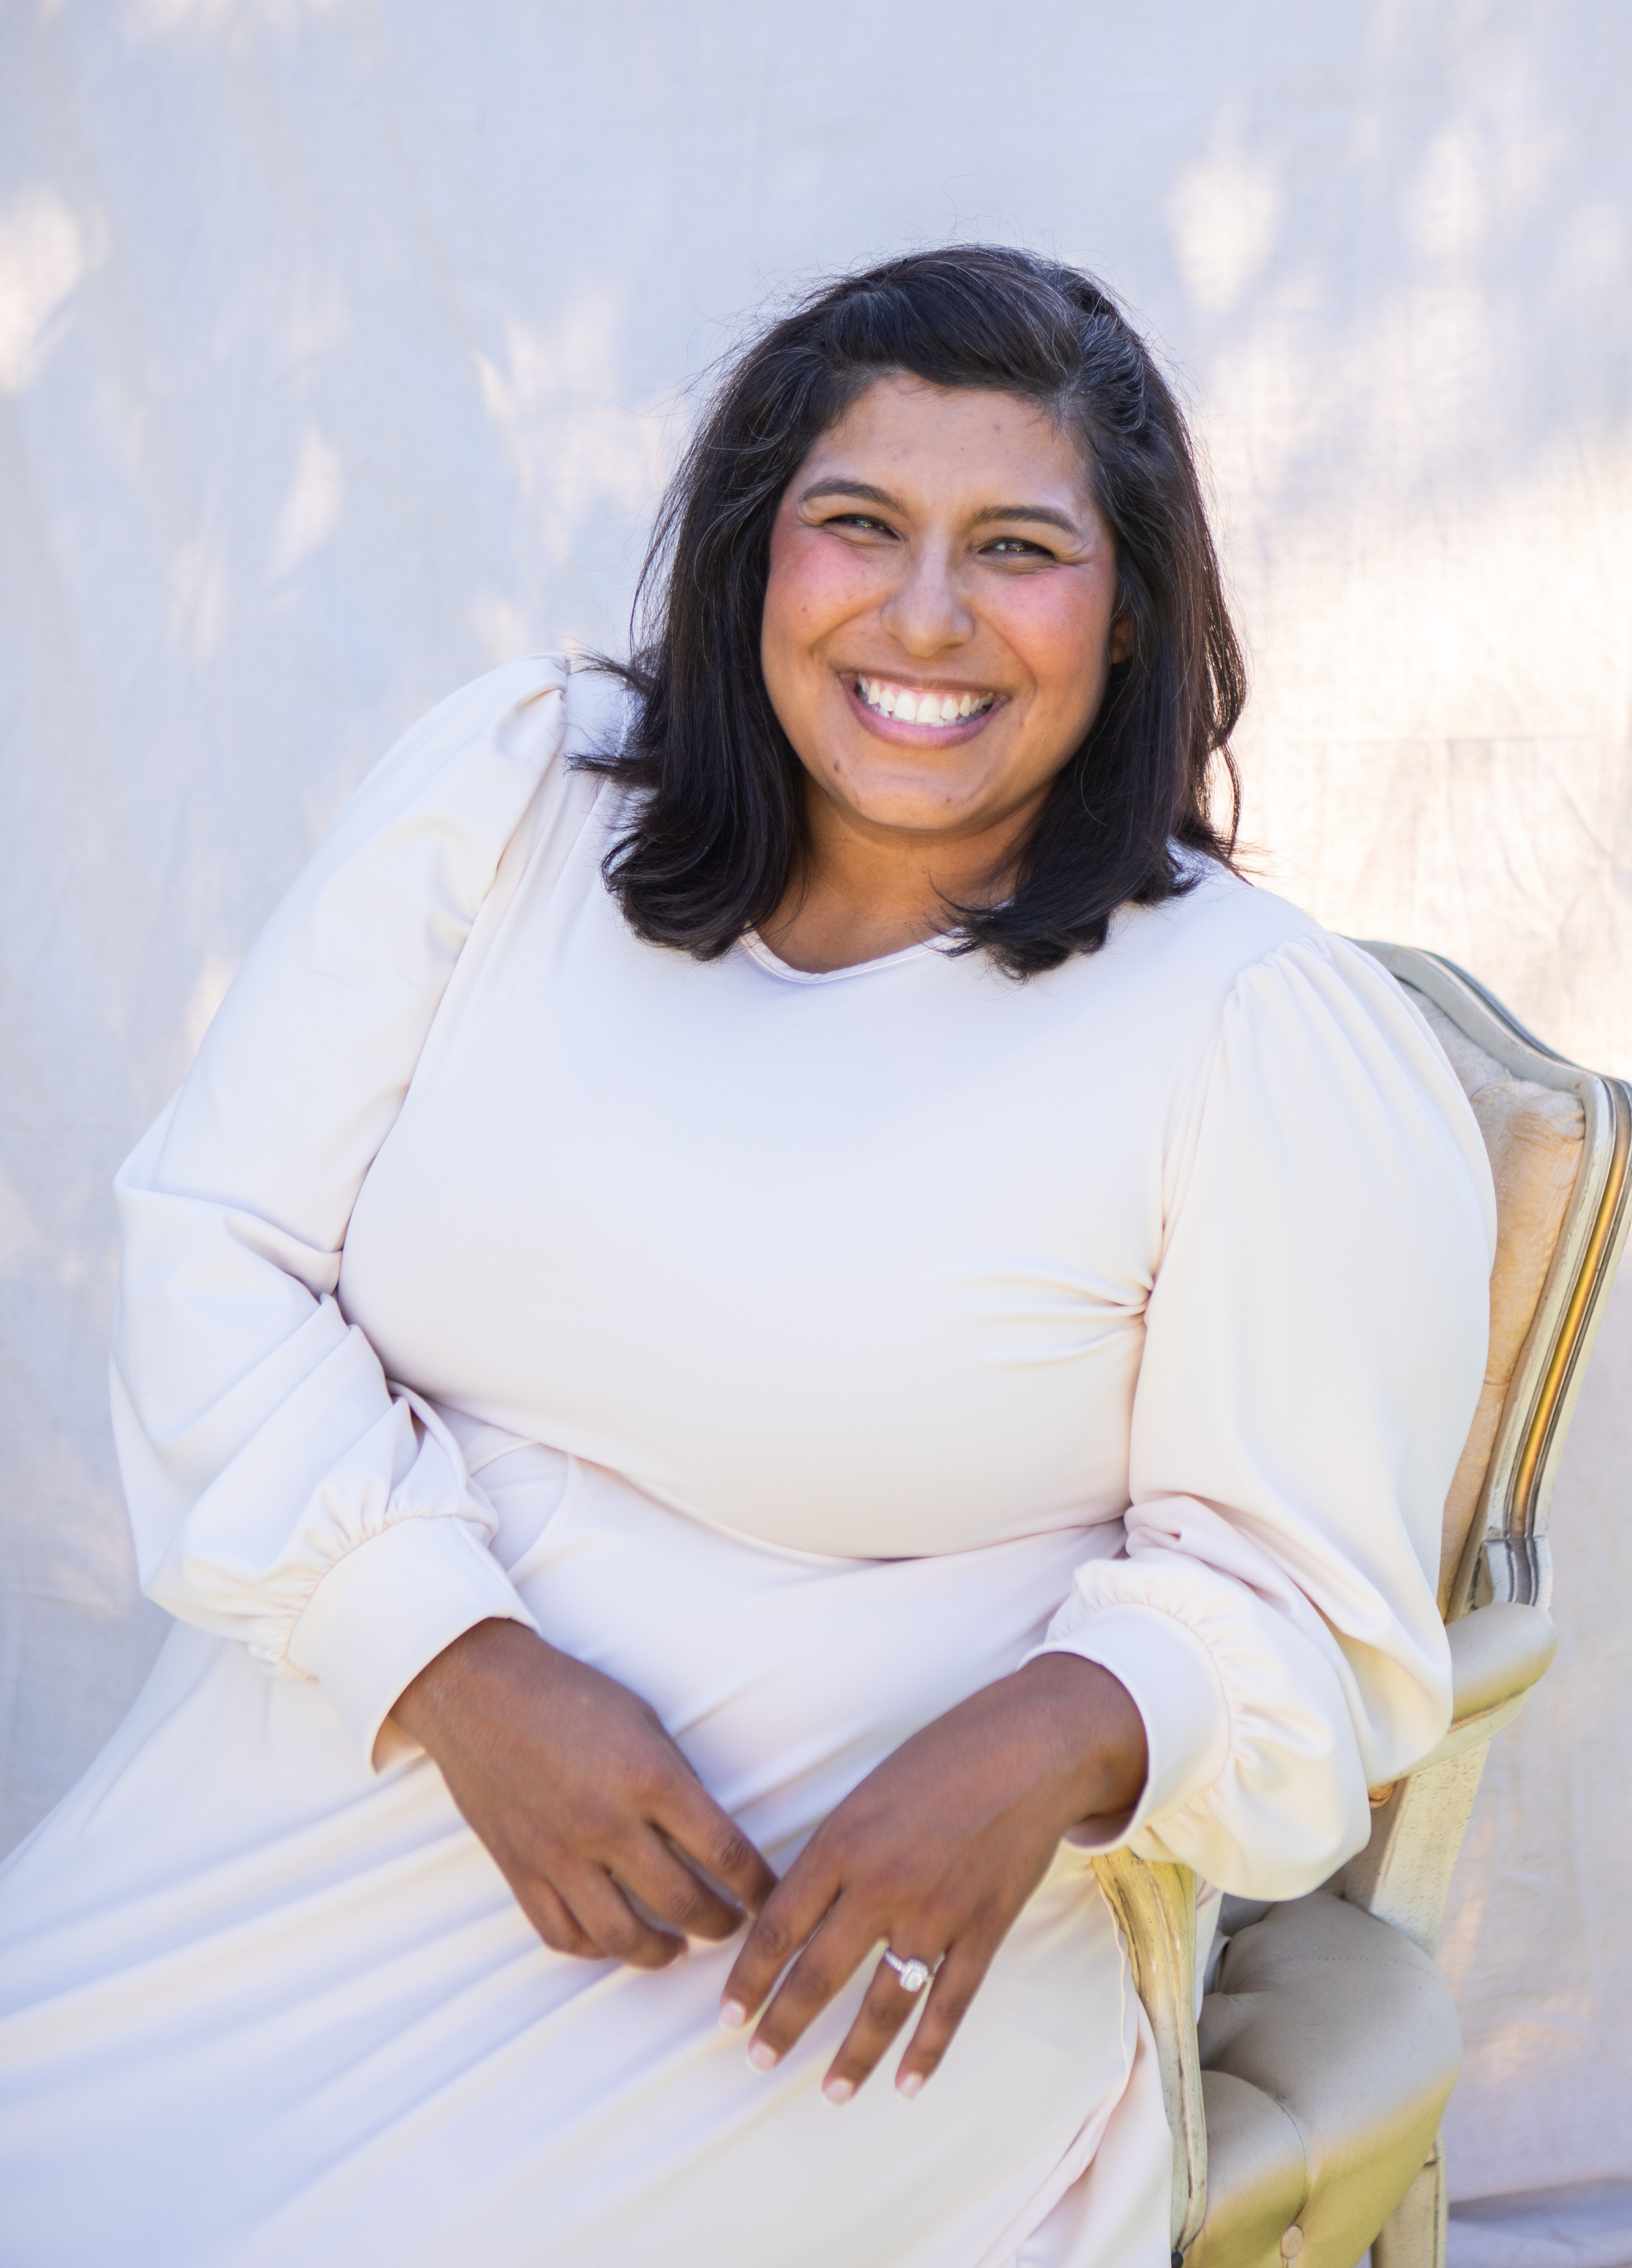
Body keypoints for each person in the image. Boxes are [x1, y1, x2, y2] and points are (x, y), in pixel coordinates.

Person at [0, 246, 1493, 2267]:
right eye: (858, 523)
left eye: (1020, 548)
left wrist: (1051, 1736)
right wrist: (450, 1658)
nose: (927, 615)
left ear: (1131, 612)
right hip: (310, 1814)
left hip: (827, 1980)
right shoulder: (518, 802)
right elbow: (214, 1253)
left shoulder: (1249, 1030)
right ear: (752, 554)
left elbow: (1320, 1622)